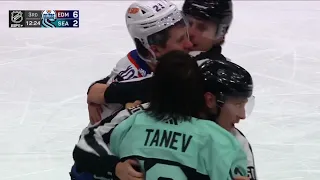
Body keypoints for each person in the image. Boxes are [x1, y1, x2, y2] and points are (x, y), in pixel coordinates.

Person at [72, 51, 255, 180]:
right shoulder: (227, 142)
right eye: (238, 104)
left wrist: (113, 168)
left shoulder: (131, 122)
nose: (243, 115)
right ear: (204, 97)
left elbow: (86, 146)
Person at [86, 0, 233, 123]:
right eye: (189, 23)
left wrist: (107, 93)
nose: (192, 35)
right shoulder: (157, 57)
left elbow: (166, 86)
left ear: (220, 34)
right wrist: (97, 90)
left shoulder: (216, 71)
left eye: (202, 28)